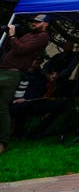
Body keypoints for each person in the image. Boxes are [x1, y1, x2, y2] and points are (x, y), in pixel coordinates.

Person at [0, 14, 51, 153]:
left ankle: (3, 142)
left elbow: (20, 49)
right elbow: (10, 48)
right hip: (3, 70)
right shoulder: (29, 34)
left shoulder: (43, 37)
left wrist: (12, 35)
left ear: (45, 24)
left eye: (37, 22)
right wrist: (8, 36)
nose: (34, 23)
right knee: (2, 107)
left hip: (12, 74)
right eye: (33, 21)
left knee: (2, 107)